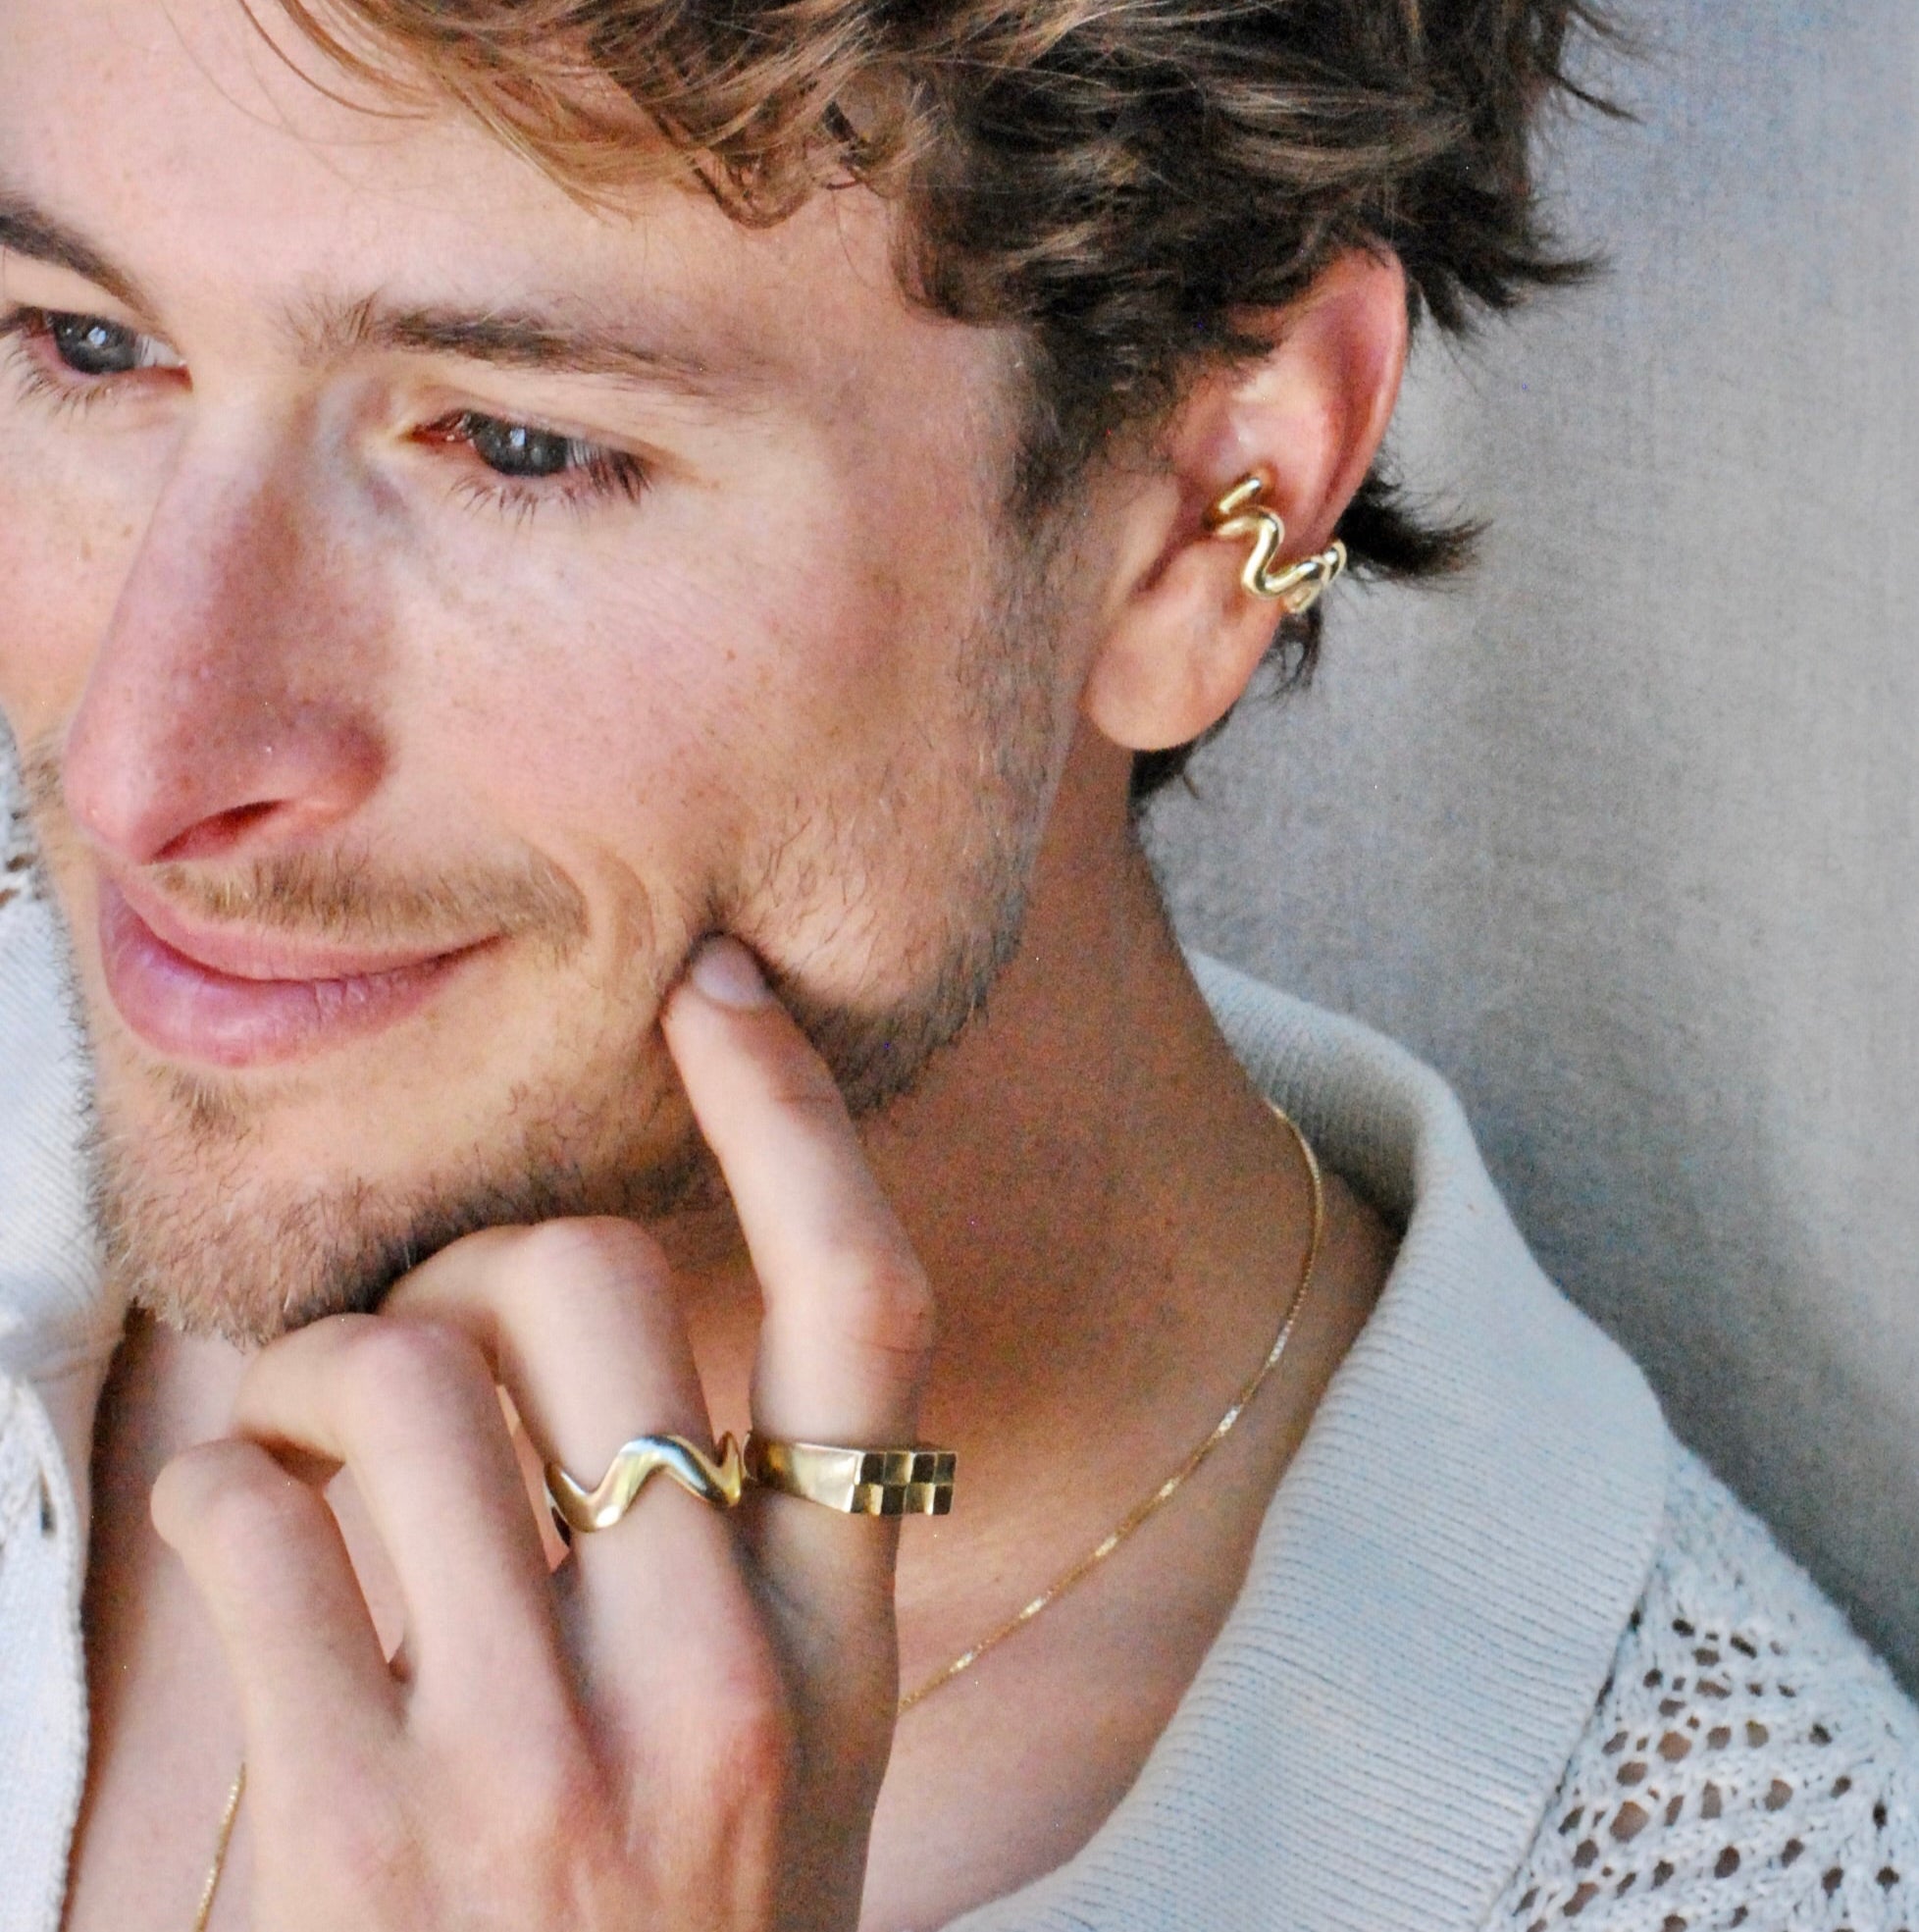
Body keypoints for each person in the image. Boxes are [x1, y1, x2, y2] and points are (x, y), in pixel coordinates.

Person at [0, 0, 1913, 1926]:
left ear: (1201, 525)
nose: (137, 762)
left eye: (518, 445)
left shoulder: (1721, 1873)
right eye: (86, 347)